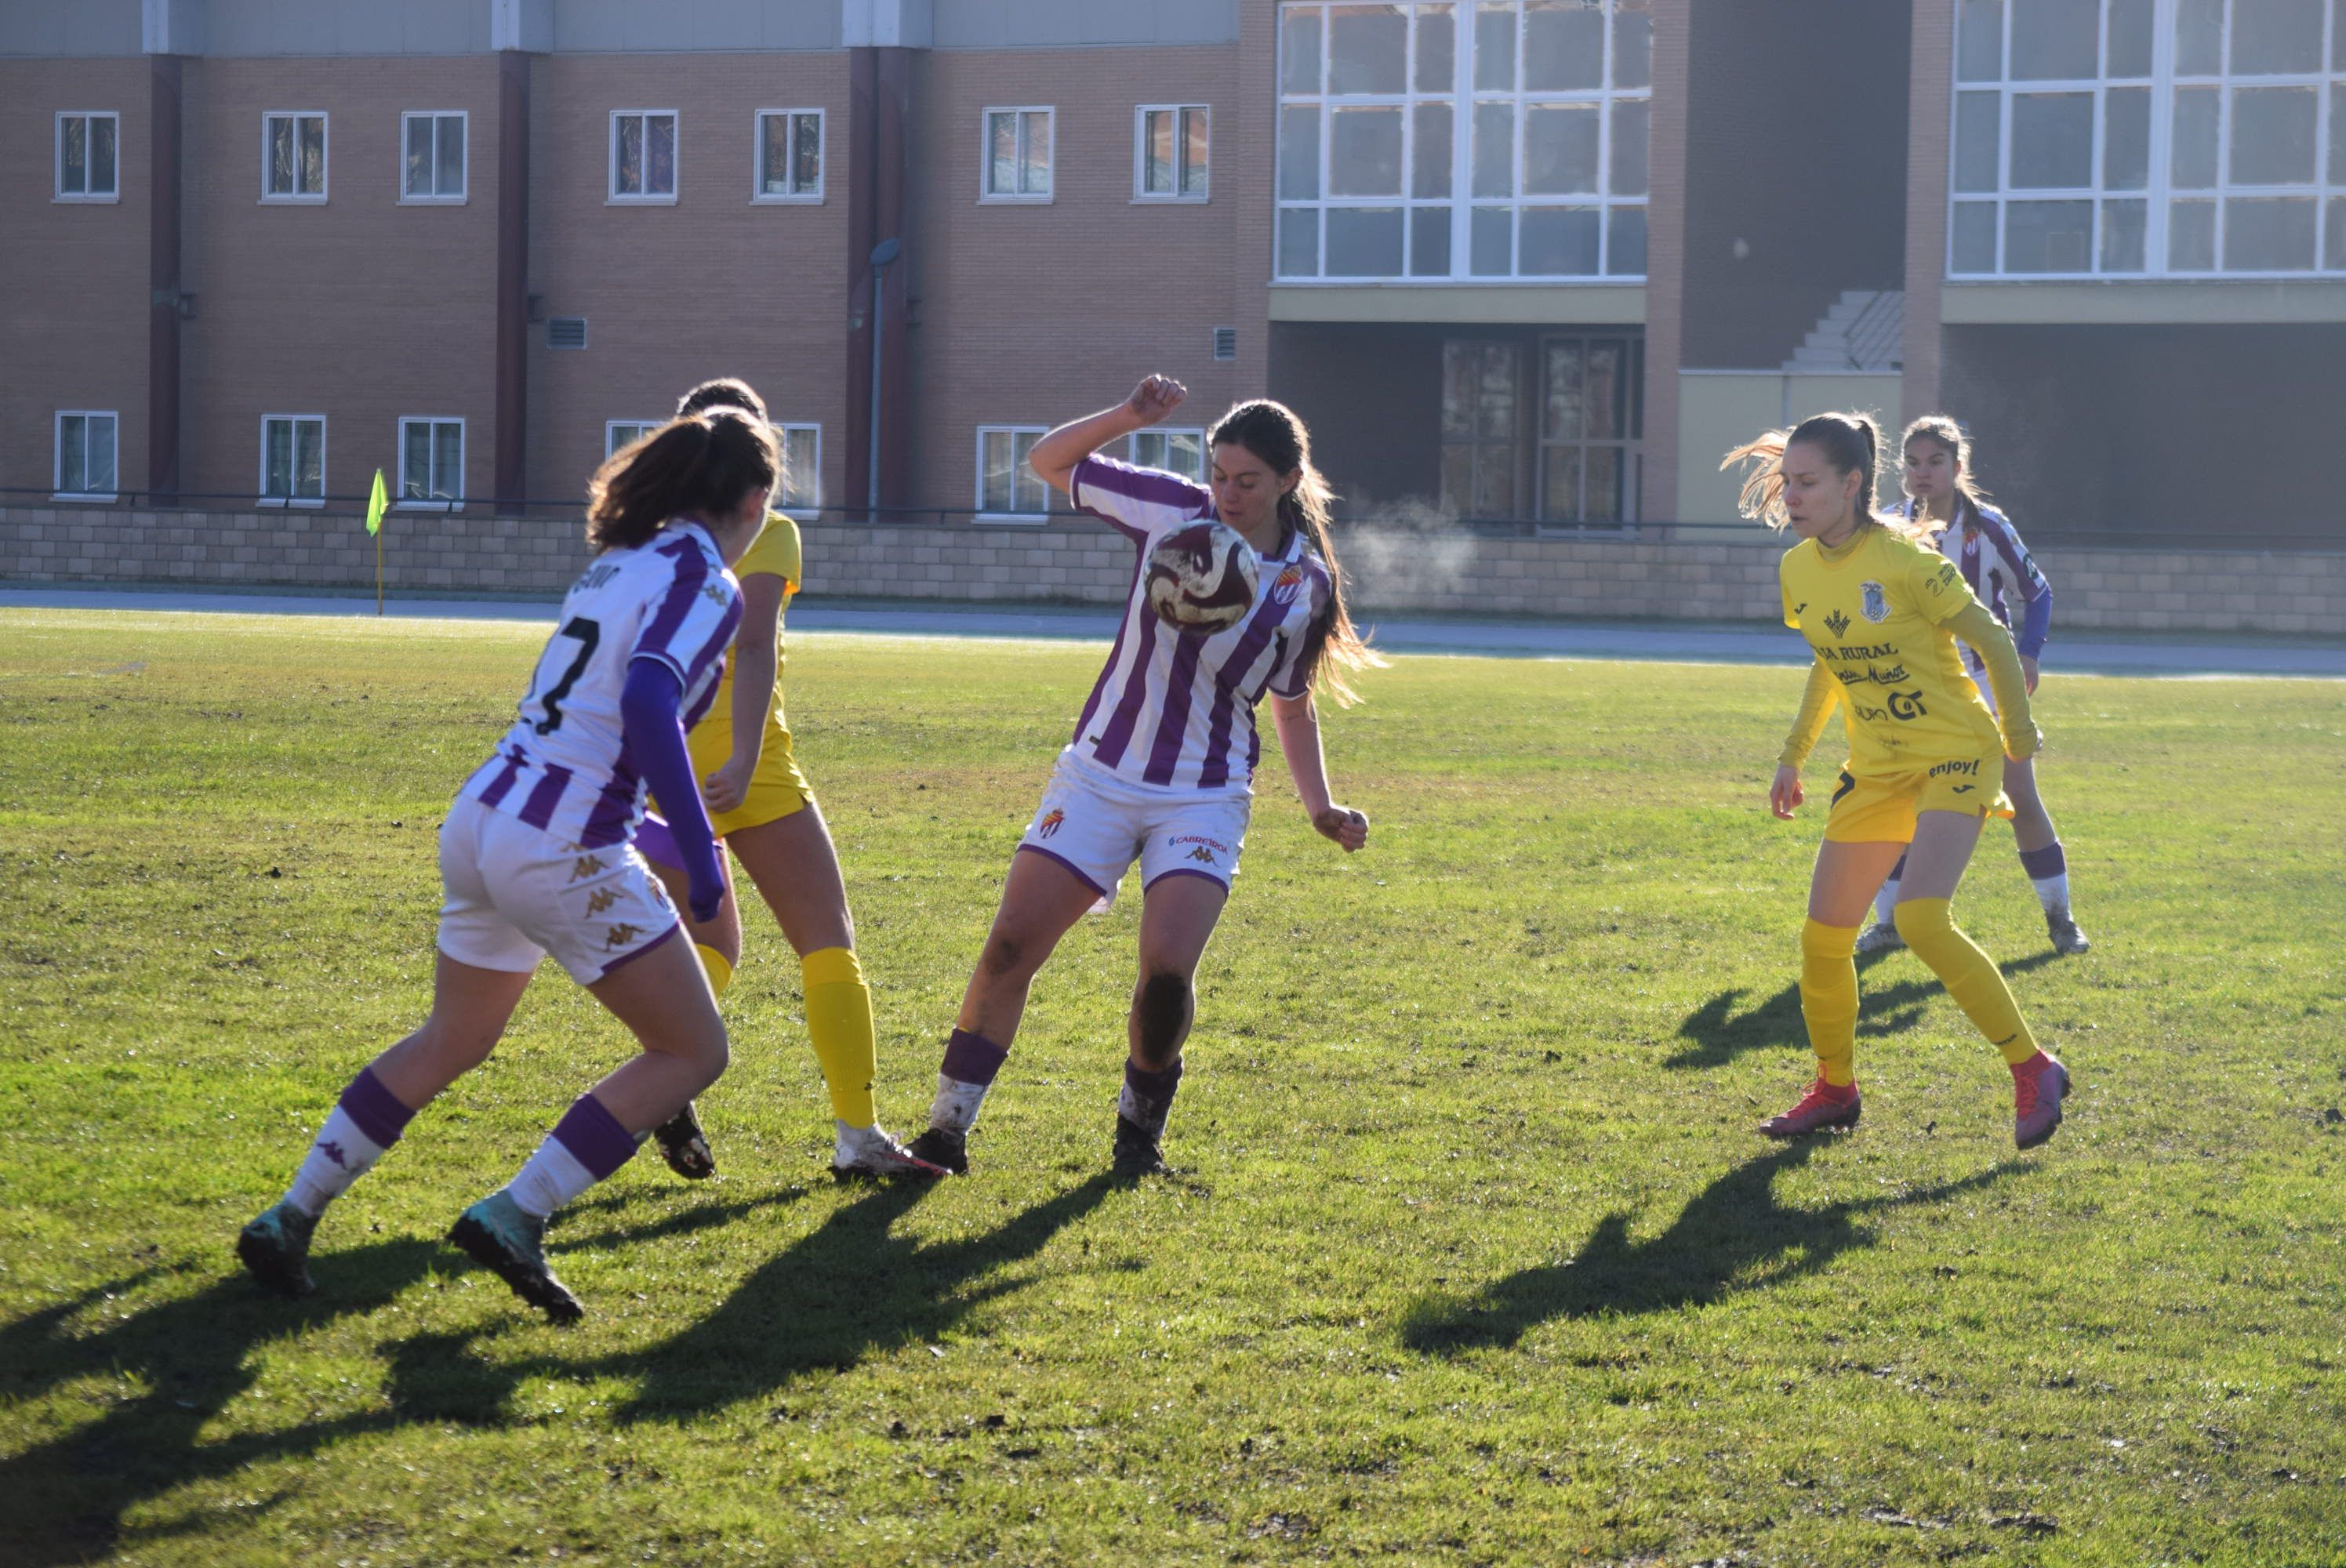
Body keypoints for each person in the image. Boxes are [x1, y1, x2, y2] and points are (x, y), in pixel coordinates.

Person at [234, 409, 779, 1320]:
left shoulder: (619, 562)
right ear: (754, 500)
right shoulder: (707, 579)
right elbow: (646, 697)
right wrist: (692, 842)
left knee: (452, 1036)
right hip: (561, 841)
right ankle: (517, 1212)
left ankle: (290, 1214)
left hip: (484, 813)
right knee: (692, 1049)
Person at [906, 376, 1378, 1178]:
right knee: (1010, 946)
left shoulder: (1306, 585)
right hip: (1098, 772)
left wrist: (1320, 806)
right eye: (1219, 473)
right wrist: (1129, 417)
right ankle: (946, 1131)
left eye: (1247, 481)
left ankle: (1137, 1137)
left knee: (1166, 973)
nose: (1226, 493)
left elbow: (1292, 707)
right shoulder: (1170, 509)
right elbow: (1048, 462)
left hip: (1205, 791)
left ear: (1289, 482)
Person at [1724, 411, 2072, 1150]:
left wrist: (2018, 738)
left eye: (1808, 482)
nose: (1792, 495)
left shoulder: (1910, 563)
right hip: (1878, 765)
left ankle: (2031, 1065)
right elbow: (1830, 656)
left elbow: (1994, 638)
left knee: (1918, 917)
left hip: (1954, 751)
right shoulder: (1797, 571)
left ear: (1853, 484)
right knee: (1824, 940)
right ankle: (1834, 1089)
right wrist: (1794, 754)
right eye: (1788, 481)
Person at [633, 378, 942, 1183]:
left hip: (656, 760)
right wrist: (738, 758)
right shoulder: (765, 525)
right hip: (749, 761)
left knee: (712, 944)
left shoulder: (646, 532)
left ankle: (667, 1076)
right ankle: (858, 1134)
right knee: (827, 939)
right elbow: (757, 642)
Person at [1854, 415, 2088, 956]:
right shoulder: (1887, 526)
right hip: (1917, 686)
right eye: (1912, 463)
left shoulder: (1989, 526)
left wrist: (2028, 654)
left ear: (1958, 467)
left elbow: (2039, 592)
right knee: (1903, 797)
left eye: (1935, 462)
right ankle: (1890, 923)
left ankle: (2061, 919)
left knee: (2021, 797)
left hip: (1984, 679)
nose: (1922, 473)